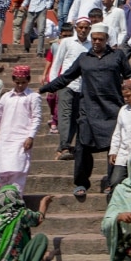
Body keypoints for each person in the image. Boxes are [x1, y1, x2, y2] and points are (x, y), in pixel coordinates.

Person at [39, 23, 131, 196]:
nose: (97, 42)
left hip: (112, 109)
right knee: (82, 144)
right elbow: (66, 77)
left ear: (107, 40)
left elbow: (130, 75)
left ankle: (111, 182)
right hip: (88, 108)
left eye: (100, 39)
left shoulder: (117, 56)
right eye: (94, 39)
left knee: (113, 148)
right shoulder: (84, 58)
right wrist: (44, 89)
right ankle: (81, 182)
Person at [0, 65, 42, 193]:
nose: (20, 85)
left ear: (29, 80)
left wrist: (30, 136)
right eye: (17, 82)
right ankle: (3, 205)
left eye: (23, 82)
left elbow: (36, 118)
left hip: (21, 140)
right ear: (13, 80)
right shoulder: (6, 97)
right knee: (1, 172)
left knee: (18, 172)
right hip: (4, 139)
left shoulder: (33, 97)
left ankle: (15, 205)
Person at [50, 17, 90, 161]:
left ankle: (66, 145)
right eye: (80, 27)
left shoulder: (91, 45)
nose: (83, 30)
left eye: (86, 28)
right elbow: (57, 62)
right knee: (65, 115)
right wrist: (53, 82)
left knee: (75, 117)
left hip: (83, 87)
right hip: (66, 84)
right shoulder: (67, 42)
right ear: (76, 28)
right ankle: (64, 146)